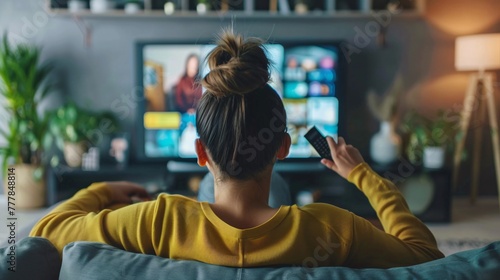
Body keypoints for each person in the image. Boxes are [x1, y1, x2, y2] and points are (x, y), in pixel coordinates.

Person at [30, 30, 444, 268]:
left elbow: (44, 233)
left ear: (200, 152)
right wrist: (361, 176)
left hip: (197, 203)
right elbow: (426, 255)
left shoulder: (159, 220)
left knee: (207, 199)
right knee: (275, 194)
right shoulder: (330, 227)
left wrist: (102, 189)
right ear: (282, 146)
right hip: (281, 204)